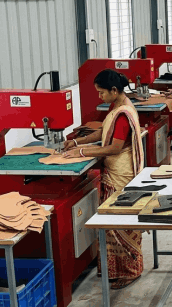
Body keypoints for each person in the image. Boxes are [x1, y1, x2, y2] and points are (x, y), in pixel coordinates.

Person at [63, 69, 145, 289]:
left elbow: (114, 147)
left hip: (121, 174)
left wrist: (82, 153)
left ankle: (129, 271)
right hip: (115, 170)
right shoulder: (117, 106)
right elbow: (103, 132)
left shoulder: (123, 113)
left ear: (114, 90)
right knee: (111, 224)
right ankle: (116, 269)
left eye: (101, 92)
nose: (99, 96)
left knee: (120, 224)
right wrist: (77, 142)